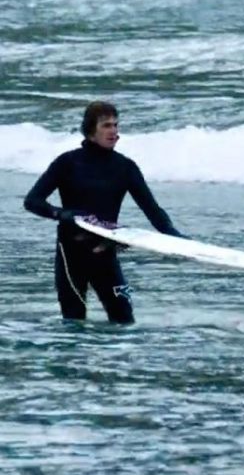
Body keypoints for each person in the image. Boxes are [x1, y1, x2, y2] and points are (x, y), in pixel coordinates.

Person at [24, 101, 184, 324]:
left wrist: (176, 238)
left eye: (116, 125)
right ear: (91, 130)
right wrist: (61, 214)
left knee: (124, 321)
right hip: (71, 254)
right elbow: (32, 201)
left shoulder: (125, 167)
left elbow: (153, 211)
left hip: (106, 252)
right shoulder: (67, 163)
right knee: (74, 324)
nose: (114, 131)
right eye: (107, 125)